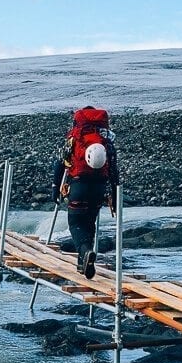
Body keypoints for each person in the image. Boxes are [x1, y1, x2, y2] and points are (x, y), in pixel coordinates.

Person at [52, 106, 119, 279]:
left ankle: (86, 252)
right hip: (99, 188)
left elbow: (60, 164)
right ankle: (83, 263)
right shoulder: (106, 141)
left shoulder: (75, 139)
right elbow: (114, 172)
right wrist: (115, 197)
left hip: (78, 186)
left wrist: (55, 188)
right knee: (90, 221)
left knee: (75, 223)